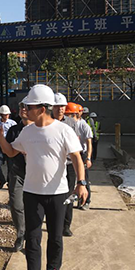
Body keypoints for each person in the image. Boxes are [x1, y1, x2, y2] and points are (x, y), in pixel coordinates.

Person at [0, 84, 87, 270]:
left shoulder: (63, 130)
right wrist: (0, 137)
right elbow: (11, 152)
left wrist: (81, 183)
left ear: (42, 109)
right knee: (32, 238)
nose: (25, 110)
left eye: (29, 107)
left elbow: (77, 157)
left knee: (55, 236)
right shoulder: (27, 132)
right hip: (32, 193)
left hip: (58, 193)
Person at [4, 98, 32, 252]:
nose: (23, 110)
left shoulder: (38, 130)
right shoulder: (14, 130)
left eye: (26, 107)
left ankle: (32, 235)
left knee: (32, 206)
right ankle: (20, 234)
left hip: (35, 174)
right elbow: (8, 150)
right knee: (16, 204)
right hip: (17, 172)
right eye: (21, 107)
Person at [53, 95, 79, 237]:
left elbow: (76, 143)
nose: (60, 109)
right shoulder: (47, 122)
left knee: (68, 195)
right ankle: (54, 220)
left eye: (62, 106)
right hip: (53, 165)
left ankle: (66, 225)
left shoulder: (71, 123)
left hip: (68, 164)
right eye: (57, 106)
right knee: (53, 194)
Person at [71, 103, 93, 210]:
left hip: (81, 154)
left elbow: (89, 143)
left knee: (83, 179)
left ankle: (85, 202)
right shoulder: (68, 124)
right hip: (71, 153)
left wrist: (88, 158)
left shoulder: (84, 125)